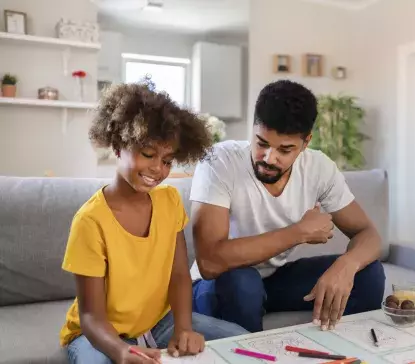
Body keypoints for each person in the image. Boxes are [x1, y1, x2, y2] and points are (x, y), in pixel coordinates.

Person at [59, 80, 248, 364]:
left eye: (168, 160)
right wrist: (121, 350)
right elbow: (90, 317)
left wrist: (184, 328)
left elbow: (180, 276)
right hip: (99, 335)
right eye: (148, 155)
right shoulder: (90, 221)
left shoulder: (169, 201)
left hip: (159, 323)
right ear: (117, 145)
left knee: (239, 339)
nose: (158, 169)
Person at [189, 79, 386, 333]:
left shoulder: (318, 168)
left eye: (285, 149)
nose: (269, 158)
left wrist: (346, 266)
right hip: (219, 282)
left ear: (306, 142)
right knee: (242, 281)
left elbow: (368, 236)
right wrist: (299, 232)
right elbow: (210, 262)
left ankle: (344, 354)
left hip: (274, 280)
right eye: (261, 143)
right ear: (253, 129)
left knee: (368, 273)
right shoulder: (220, 160)